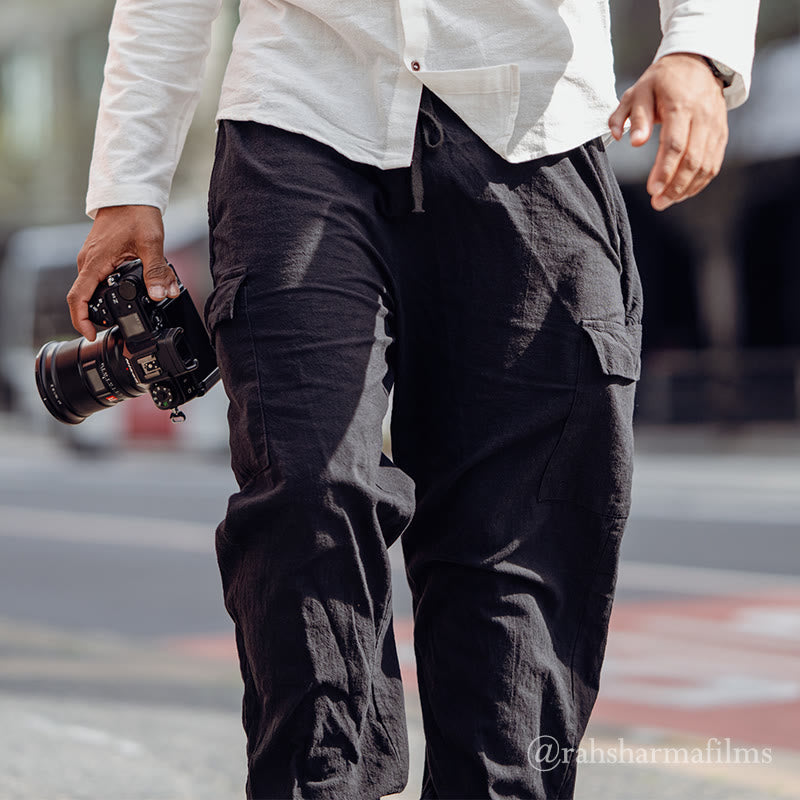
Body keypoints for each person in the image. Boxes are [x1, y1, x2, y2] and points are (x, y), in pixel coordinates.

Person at [68, 2, 759, 797]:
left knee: (521, 543)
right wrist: (128, 183)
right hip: (301, 112)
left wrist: (698, 50)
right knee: (308, 490)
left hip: (534, 127)